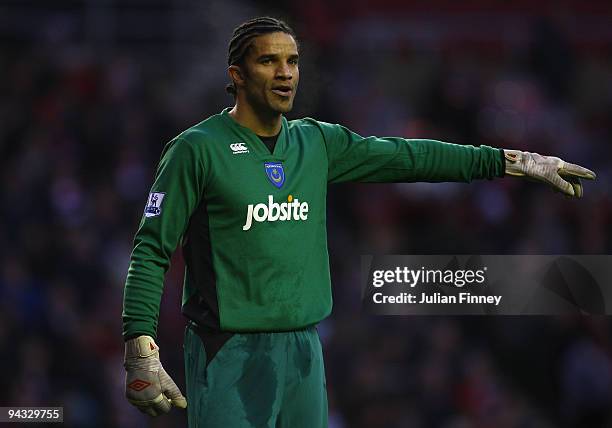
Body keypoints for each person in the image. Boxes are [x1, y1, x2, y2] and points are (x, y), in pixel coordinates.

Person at [121, 16, 596, 428]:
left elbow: (410, 157)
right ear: (236, 75)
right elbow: (151, 248)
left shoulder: (317, 143)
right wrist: (140, 346)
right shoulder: (196, 149)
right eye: (269, 62)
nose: (286, 74)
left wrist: (513, 160)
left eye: (293, 61)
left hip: (304, 351)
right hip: (228, 352)